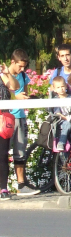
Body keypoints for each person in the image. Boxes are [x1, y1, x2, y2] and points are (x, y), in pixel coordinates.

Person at [7, 49, 39, 196]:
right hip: (6, 118)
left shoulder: (23, 76)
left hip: (19, 116)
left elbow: (24, 93)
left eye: (24, 67)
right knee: (2, 153)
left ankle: (21, 184)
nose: (22, 69)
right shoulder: (4, 76)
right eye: (19, 66)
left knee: (20, 151)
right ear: (12, 62)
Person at [0, 63, 19, 201]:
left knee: (2, 155)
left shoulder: (2, 77)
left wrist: (7, 73)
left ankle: (3, 188)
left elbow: (14, 87)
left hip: (2, 120)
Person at [50, 76, 71, 151]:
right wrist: (67, 119)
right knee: (67, 124)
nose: (61, 89)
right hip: (61, 120)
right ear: (55, 89)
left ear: (66, 86)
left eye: (62, 86)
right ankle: (61, 143)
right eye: (58, 87)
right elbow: (58, 114)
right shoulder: (56, 100)